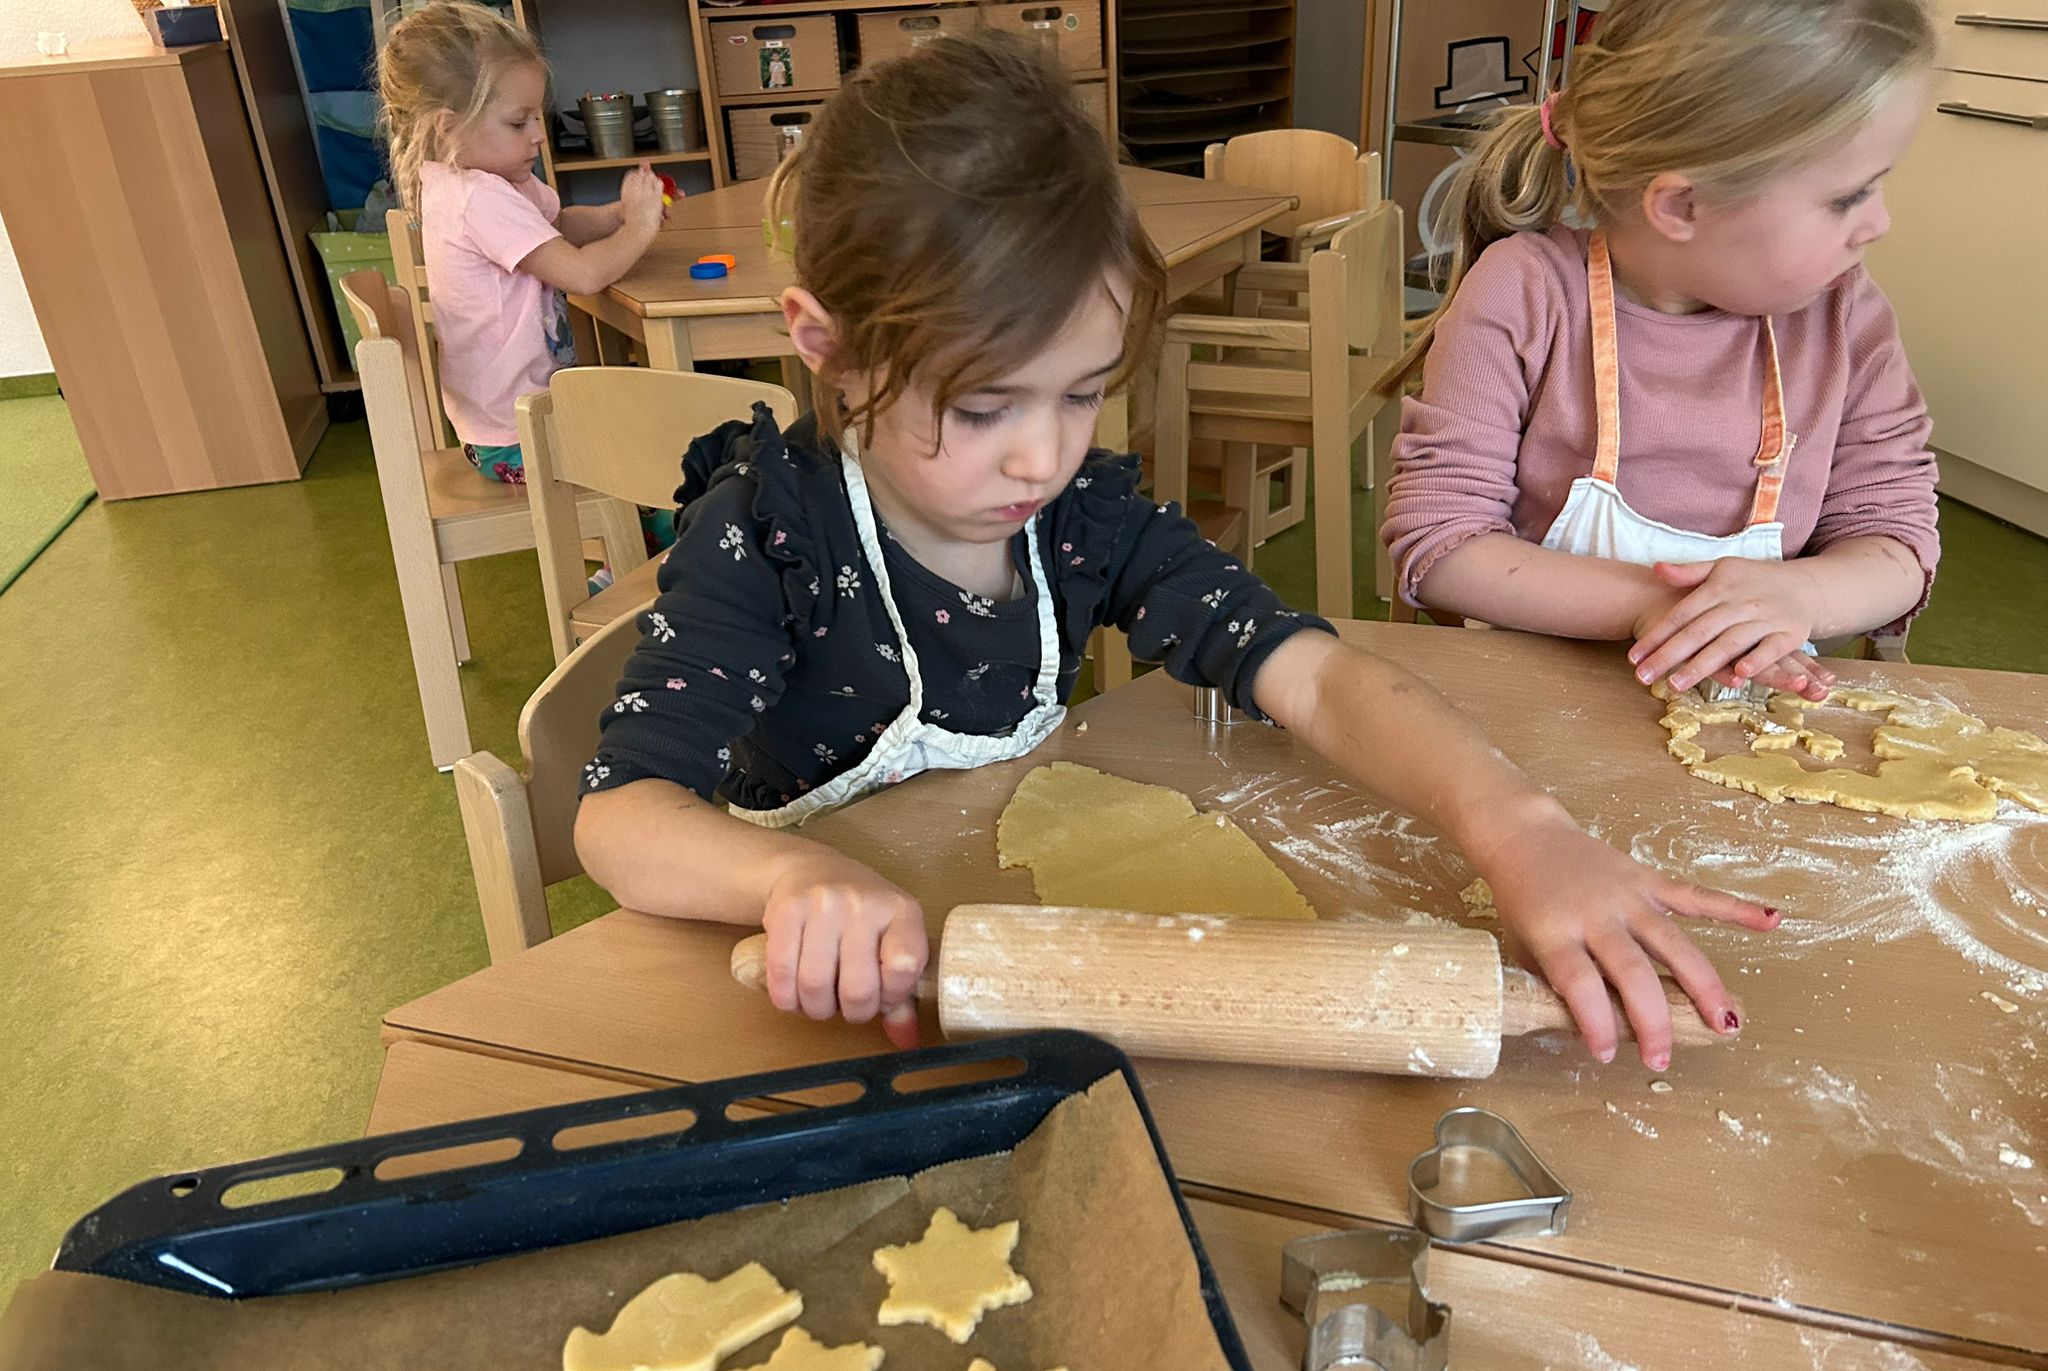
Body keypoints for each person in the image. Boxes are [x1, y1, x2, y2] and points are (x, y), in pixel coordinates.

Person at [574, 32, 1779, 1071]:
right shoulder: (769, 535)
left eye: (1082, 392)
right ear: (824, 345)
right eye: (985, 409)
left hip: (1001, 958)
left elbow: (1307, 670)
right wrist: (789, 886)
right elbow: (621, 815)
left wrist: (1520, 831)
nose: (1040, 459)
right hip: (803, 999)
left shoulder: (1076, 522)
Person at [1382, 0, 1940, 702]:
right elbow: (1440, 545)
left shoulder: (1844, 318)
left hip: (1756, 709)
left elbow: (1897, 541)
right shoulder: (1525, 293)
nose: (1879, 224)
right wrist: (1654, 606)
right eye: (1847, 198)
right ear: (1680, 206)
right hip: (1534, 697)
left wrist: (1802, 595)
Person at [378, 0, 666, 485]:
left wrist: (619, 214)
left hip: (510, 425)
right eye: (518, 122)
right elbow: (583, 273)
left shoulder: (482, 181)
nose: (538, 136)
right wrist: (638, 230)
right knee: (652, 473)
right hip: (515, 437)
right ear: (448, 126)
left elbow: (558, 229)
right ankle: (627, 560)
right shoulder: (479, 198)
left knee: (643, 436)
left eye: (537, 118)